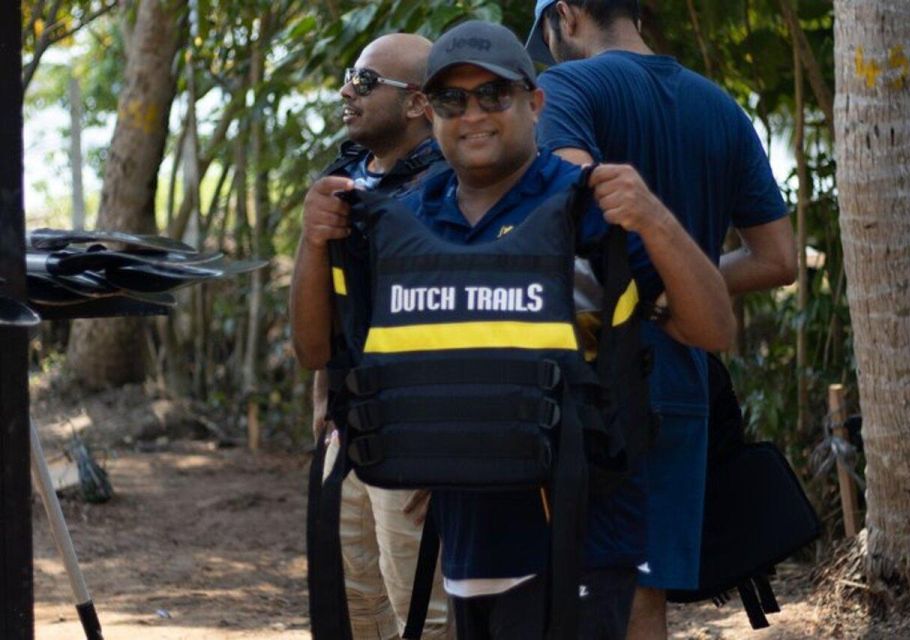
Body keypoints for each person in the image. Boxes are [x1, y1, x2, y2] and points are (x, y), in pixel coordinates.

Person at [302, 20, 736, 640]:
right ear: (430, 110)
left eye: (493, 95)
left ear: (534, 103)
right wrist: (312, 244)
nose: (473, 113)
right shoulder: (405, 224)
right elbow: (316, 350)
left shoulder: (588, 209)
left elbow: (712, 329)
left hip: (581, 538)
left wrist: (655, 221)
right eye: (453, 98)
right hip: (467, 542)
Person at [525, 2, 797, 638]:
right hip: (681, 374)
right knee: (644, 589)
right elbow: (777, 258)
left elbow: (566, 208)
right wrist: (679, 288)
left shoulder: (564, 87)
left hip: (586, 377)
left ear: (564, 14)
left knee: (562, 583)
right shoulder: (719, 106)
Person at [290, 33, 449, 640]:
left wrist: (447, 448)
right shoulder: (344, 178)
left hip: (416, 433)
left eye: (363, 80)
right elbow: (328, 307)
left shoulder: (447, 187)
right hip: (350, 424)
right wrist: (323, 389)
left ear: (416, 104)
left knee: (425, 615)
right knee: (354, 607)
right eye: (348, 76)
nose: (345, 91)